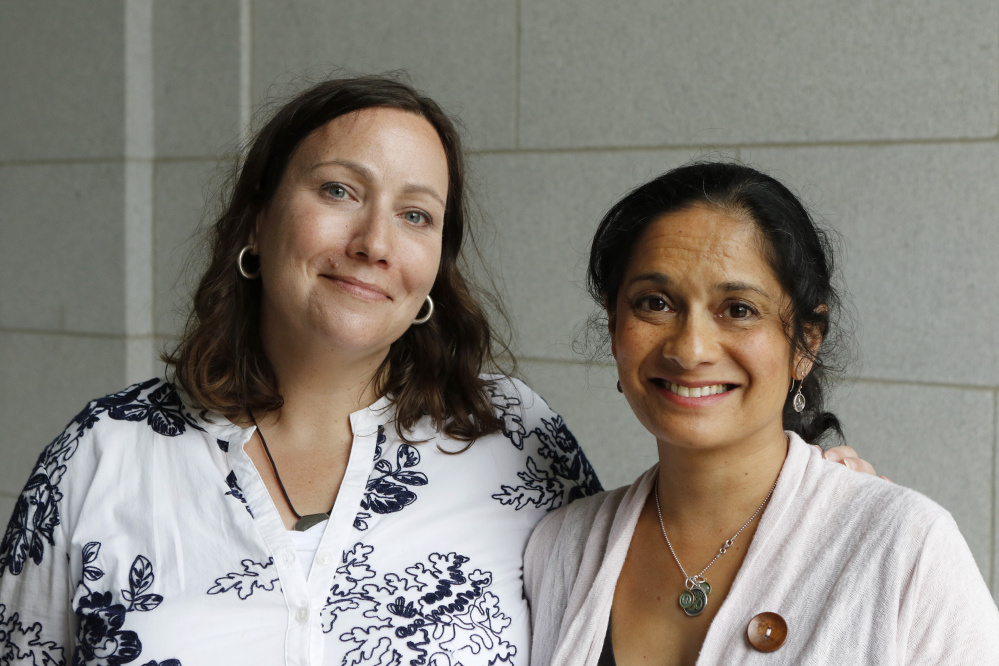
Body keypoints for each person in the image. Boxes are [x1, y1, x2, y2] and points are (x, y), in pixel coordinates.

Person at [0, 79, 873, 665]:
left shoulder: (511, 437)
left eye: (415, 214)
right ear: (257, 223)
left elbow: (629, 568)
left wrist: (806, 495)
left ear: (432, 271)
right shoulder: (103, 455)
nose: (374, 243)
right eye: (339, 191)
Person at [524, 162, 999, 665]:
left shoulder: (904, 545)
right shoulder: (559, 549)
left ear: (806, 343)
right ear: (615, 324)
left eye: (738, 309)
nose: (690, 349)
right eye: (656, 303)